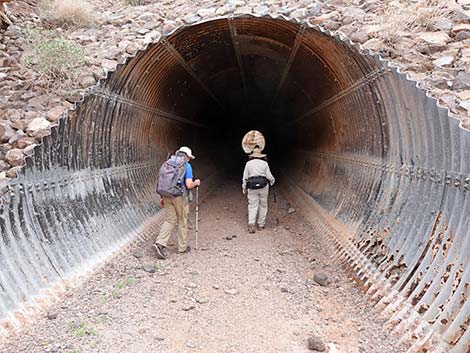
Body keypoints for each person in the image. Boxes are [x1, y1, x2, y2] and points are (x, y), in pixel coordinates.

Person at [153, 146, 201, 259]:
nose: (189, 159)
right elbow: (189, 185)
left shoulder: (167, 164)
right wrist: (196, 182)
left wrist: (162, 197)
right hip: (179, 196)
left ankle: (159, 243)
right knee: (182, 220)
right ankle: (182, 247)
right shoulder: (186, 166)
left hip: (166, 194)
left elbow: (162, 181)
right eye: (189, 157)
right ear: (187, 157)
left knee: (170, 219)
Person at [242, 146, 275, 233]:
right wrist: (272, 182)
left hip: (252, 187)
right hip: (263, 186)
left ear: (252, 155)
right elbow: (269, 176)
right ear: (260, 155)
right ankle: (261, 224)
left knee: (252, 205)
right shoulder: (264, 164)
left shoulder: (248, 164)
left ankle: (251, 224)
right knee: (263, 205)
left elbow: (245, 177)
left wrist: (244, 187)